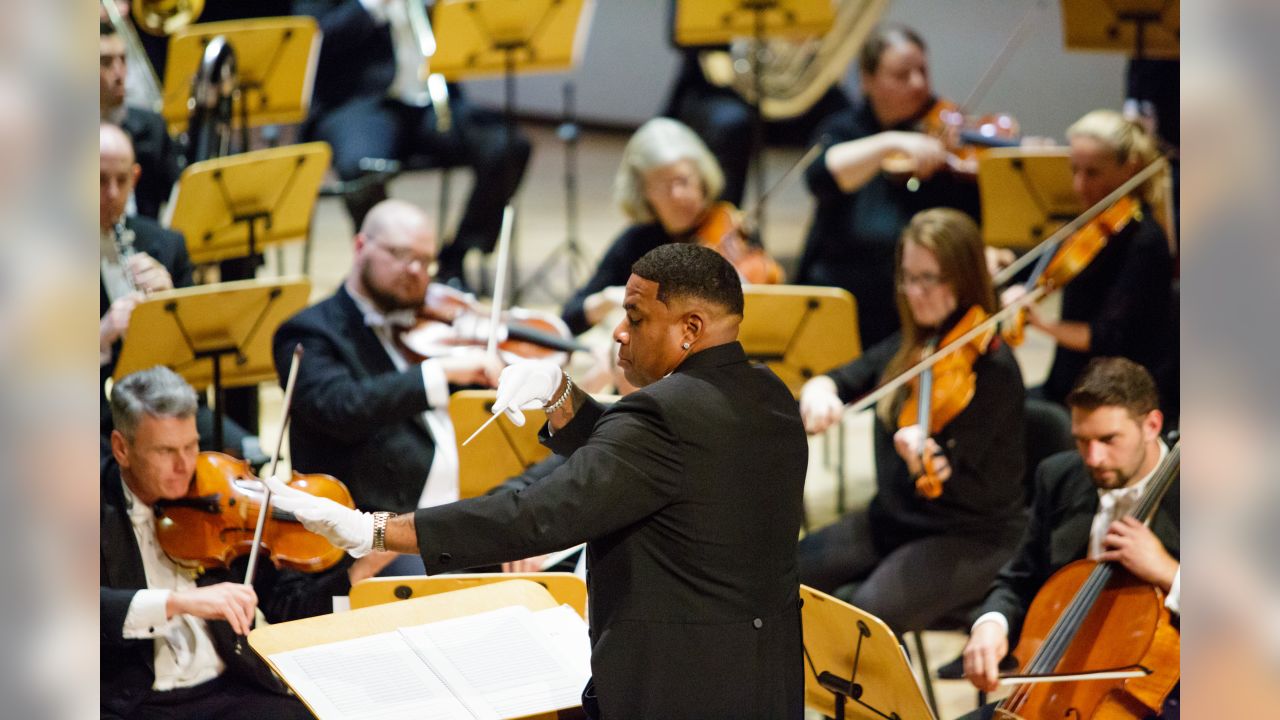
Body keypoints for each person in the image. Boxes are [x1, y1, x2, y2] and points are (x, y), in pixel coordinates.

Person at [269, 243, 810, 719]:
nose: (620, 333)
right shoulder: (769, 393)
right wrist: (561, 396)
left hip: (679, 685)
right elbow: (654, 468)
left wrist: (375, 531)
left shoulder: (658, 416)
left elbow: (535, 515)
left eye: (636, 317)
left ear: (690, 328)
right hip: (766, 672)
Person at [796, 208, 1026, 633]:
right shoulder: (917, 344)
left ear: (963, 278)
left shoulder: (994, 369)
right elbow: (846, 377)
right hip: (894, 519)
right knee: (782, 577)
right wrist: (820, 391)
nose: (914, 293)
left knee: (865, 618)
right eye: (908, 277)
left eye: (929, 279)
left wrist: (929, 460)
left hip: (971, 534)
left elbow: (956, 481)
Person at [101, 366, 362, 719]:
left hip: (229, 686)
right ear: (121, 448)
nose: (184, 465)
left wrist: (360, 570)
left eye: (191, 446)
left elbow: (290, 607)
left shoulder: (219, 500)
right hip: (137, 701)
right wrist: (178, 602)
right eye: (165, 451)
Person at [958, 357, 1180, 719]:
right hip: (1053, 693)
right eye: (1082, 441)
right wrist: (990, 625)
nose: (1094, 458)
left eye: (1109, 440)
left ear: (1151, 425)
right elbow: (1018, 579)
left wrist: (1170, 573)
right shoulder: (1059, 477)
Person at [273, 199, 501, 550]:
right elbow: (342, 407)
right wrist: (436, 373)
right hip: (376, 533)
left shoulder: (428, 327)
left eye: (426, 261)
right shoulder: (308, 332)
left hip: (464, 510)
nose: (415, 270)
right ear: (360, 246)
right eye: (400, 254)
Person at [293, 0, 532, 284]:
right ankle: (387, 268)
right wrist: (372, 6)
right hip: (359, 105)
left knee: (507, 144)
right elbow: (312, 39)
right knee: (363, 168)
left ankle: (455, 260)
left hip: (429, 101)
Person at [796, 24, 981, 349]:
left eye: (923, 71)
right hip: (846, 291)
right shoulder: (845, 127)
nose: (919, 84)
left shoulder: (946, 132)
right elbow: (820, 175)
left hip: (919, 301)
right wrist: (890, 142)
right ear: (867, 81)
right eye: (902, 75)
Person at [1009, 109, 1176, 417]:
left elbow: (1104, 337)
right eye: (1075, 170)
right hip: (1068, 382)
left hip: (1116, 397)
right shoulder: (1092, 226)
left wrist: (1040, 322)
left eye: (1093, 173)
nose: (1078, 186)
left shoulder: (1145, 243)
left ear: (1130, 168)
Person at [562, 116, 766, 336]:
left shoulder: (733, 230)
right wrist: (605, 300)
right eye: (663, 186)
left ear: (702, 178)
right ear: (644, 193)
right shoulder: (637, 243)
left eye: (684, 180)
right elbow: (568, 319)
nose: (677, 195)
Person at [664, 46, 853, 207]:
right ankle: (722, 231)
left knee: (847, 121)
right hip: (717, 87)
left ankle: (847, 237)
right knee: (732, 124)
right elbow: (683, 36)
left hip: (791, 84)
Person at [99, 123, 191, 440]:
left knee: (238, 449)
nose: (112, 193)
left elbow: (196, 350)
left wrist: (171, 306)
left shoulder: (167, 245)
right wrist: (102, 333)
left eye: (121, 181)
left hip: (166, 408)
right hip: (90, 419)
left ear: (135, 178)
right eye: (99, 181)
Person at [100, 21, 182, 220]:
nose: (119, 73)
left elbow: (176, 197)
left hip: (145, 238)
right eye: (106, 62)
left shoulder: (153, 126)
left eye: (123, 60)